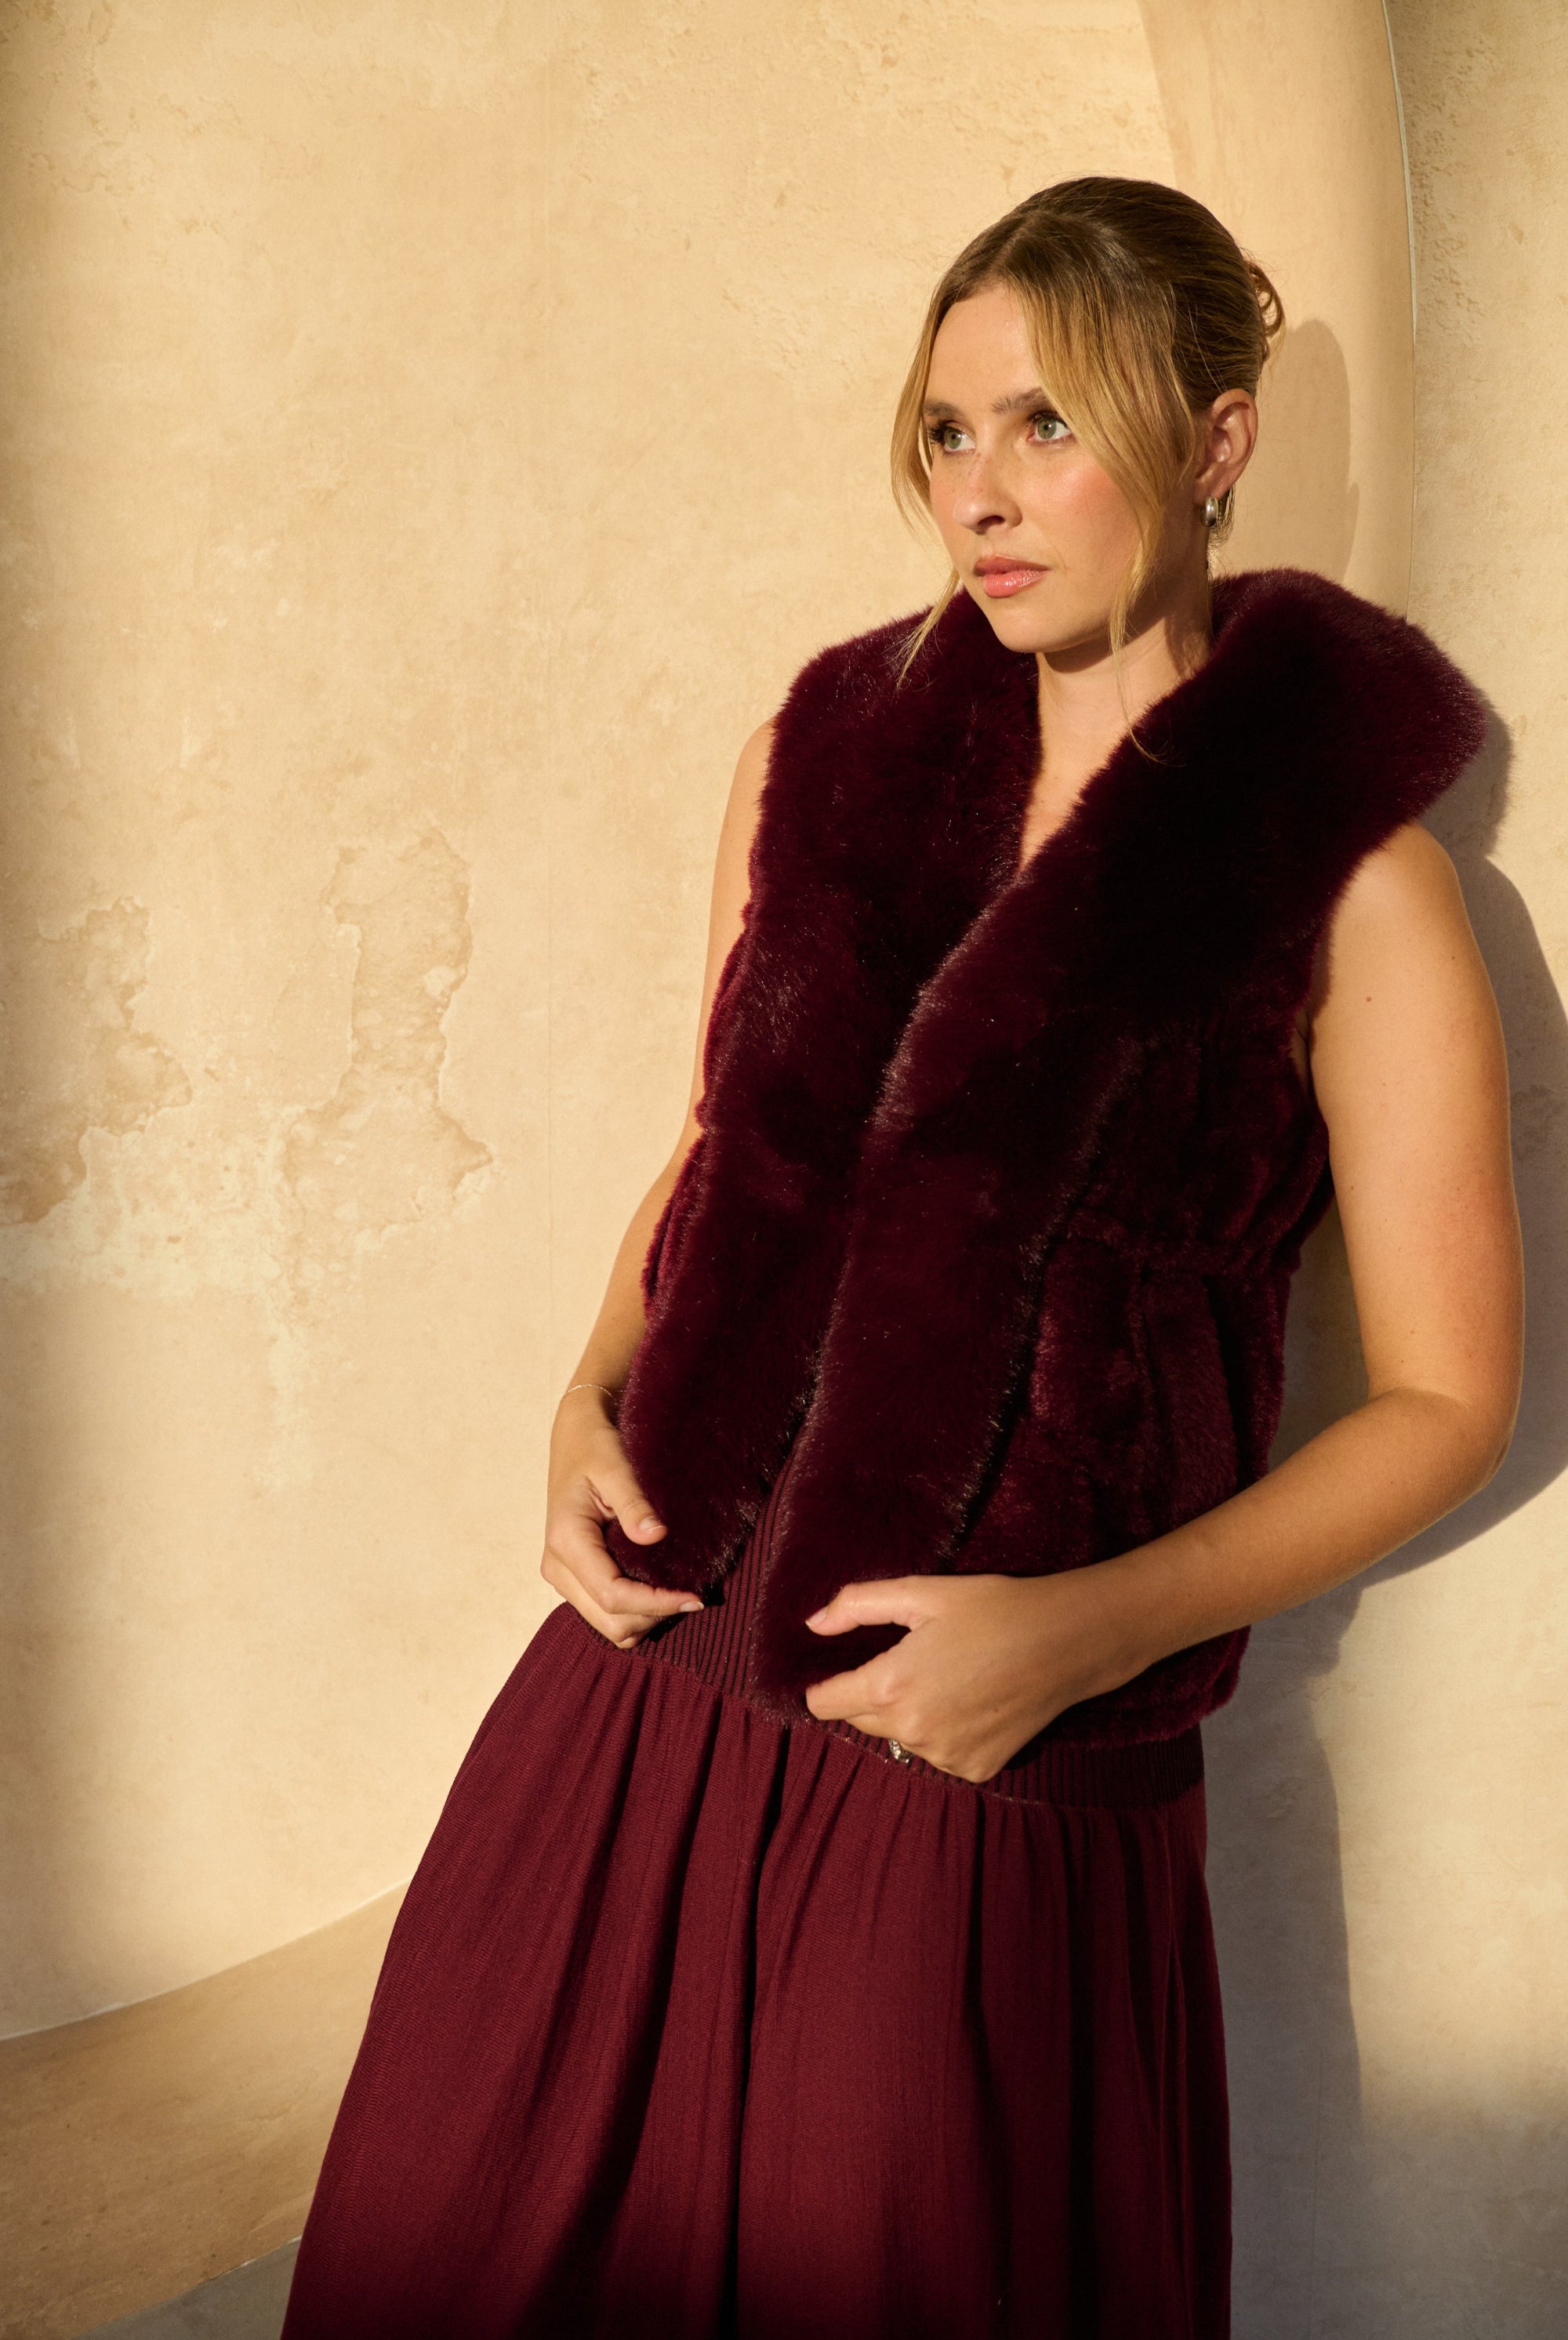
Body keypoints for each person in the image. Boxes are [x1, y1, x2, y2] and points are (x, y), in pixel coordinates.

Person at [281, 176, 1523, 2340]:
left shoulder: (1355, 894)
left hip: (976, 1778)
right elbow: (720, 1145)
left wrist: (1073, 1634)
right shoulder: (826, 755)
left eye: (1049, 425)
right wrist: (587, 1389)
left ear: (1215, 439)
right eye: (950, 434)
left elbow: (1449, 1400)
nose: (982, 491)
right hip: (639, 1695)